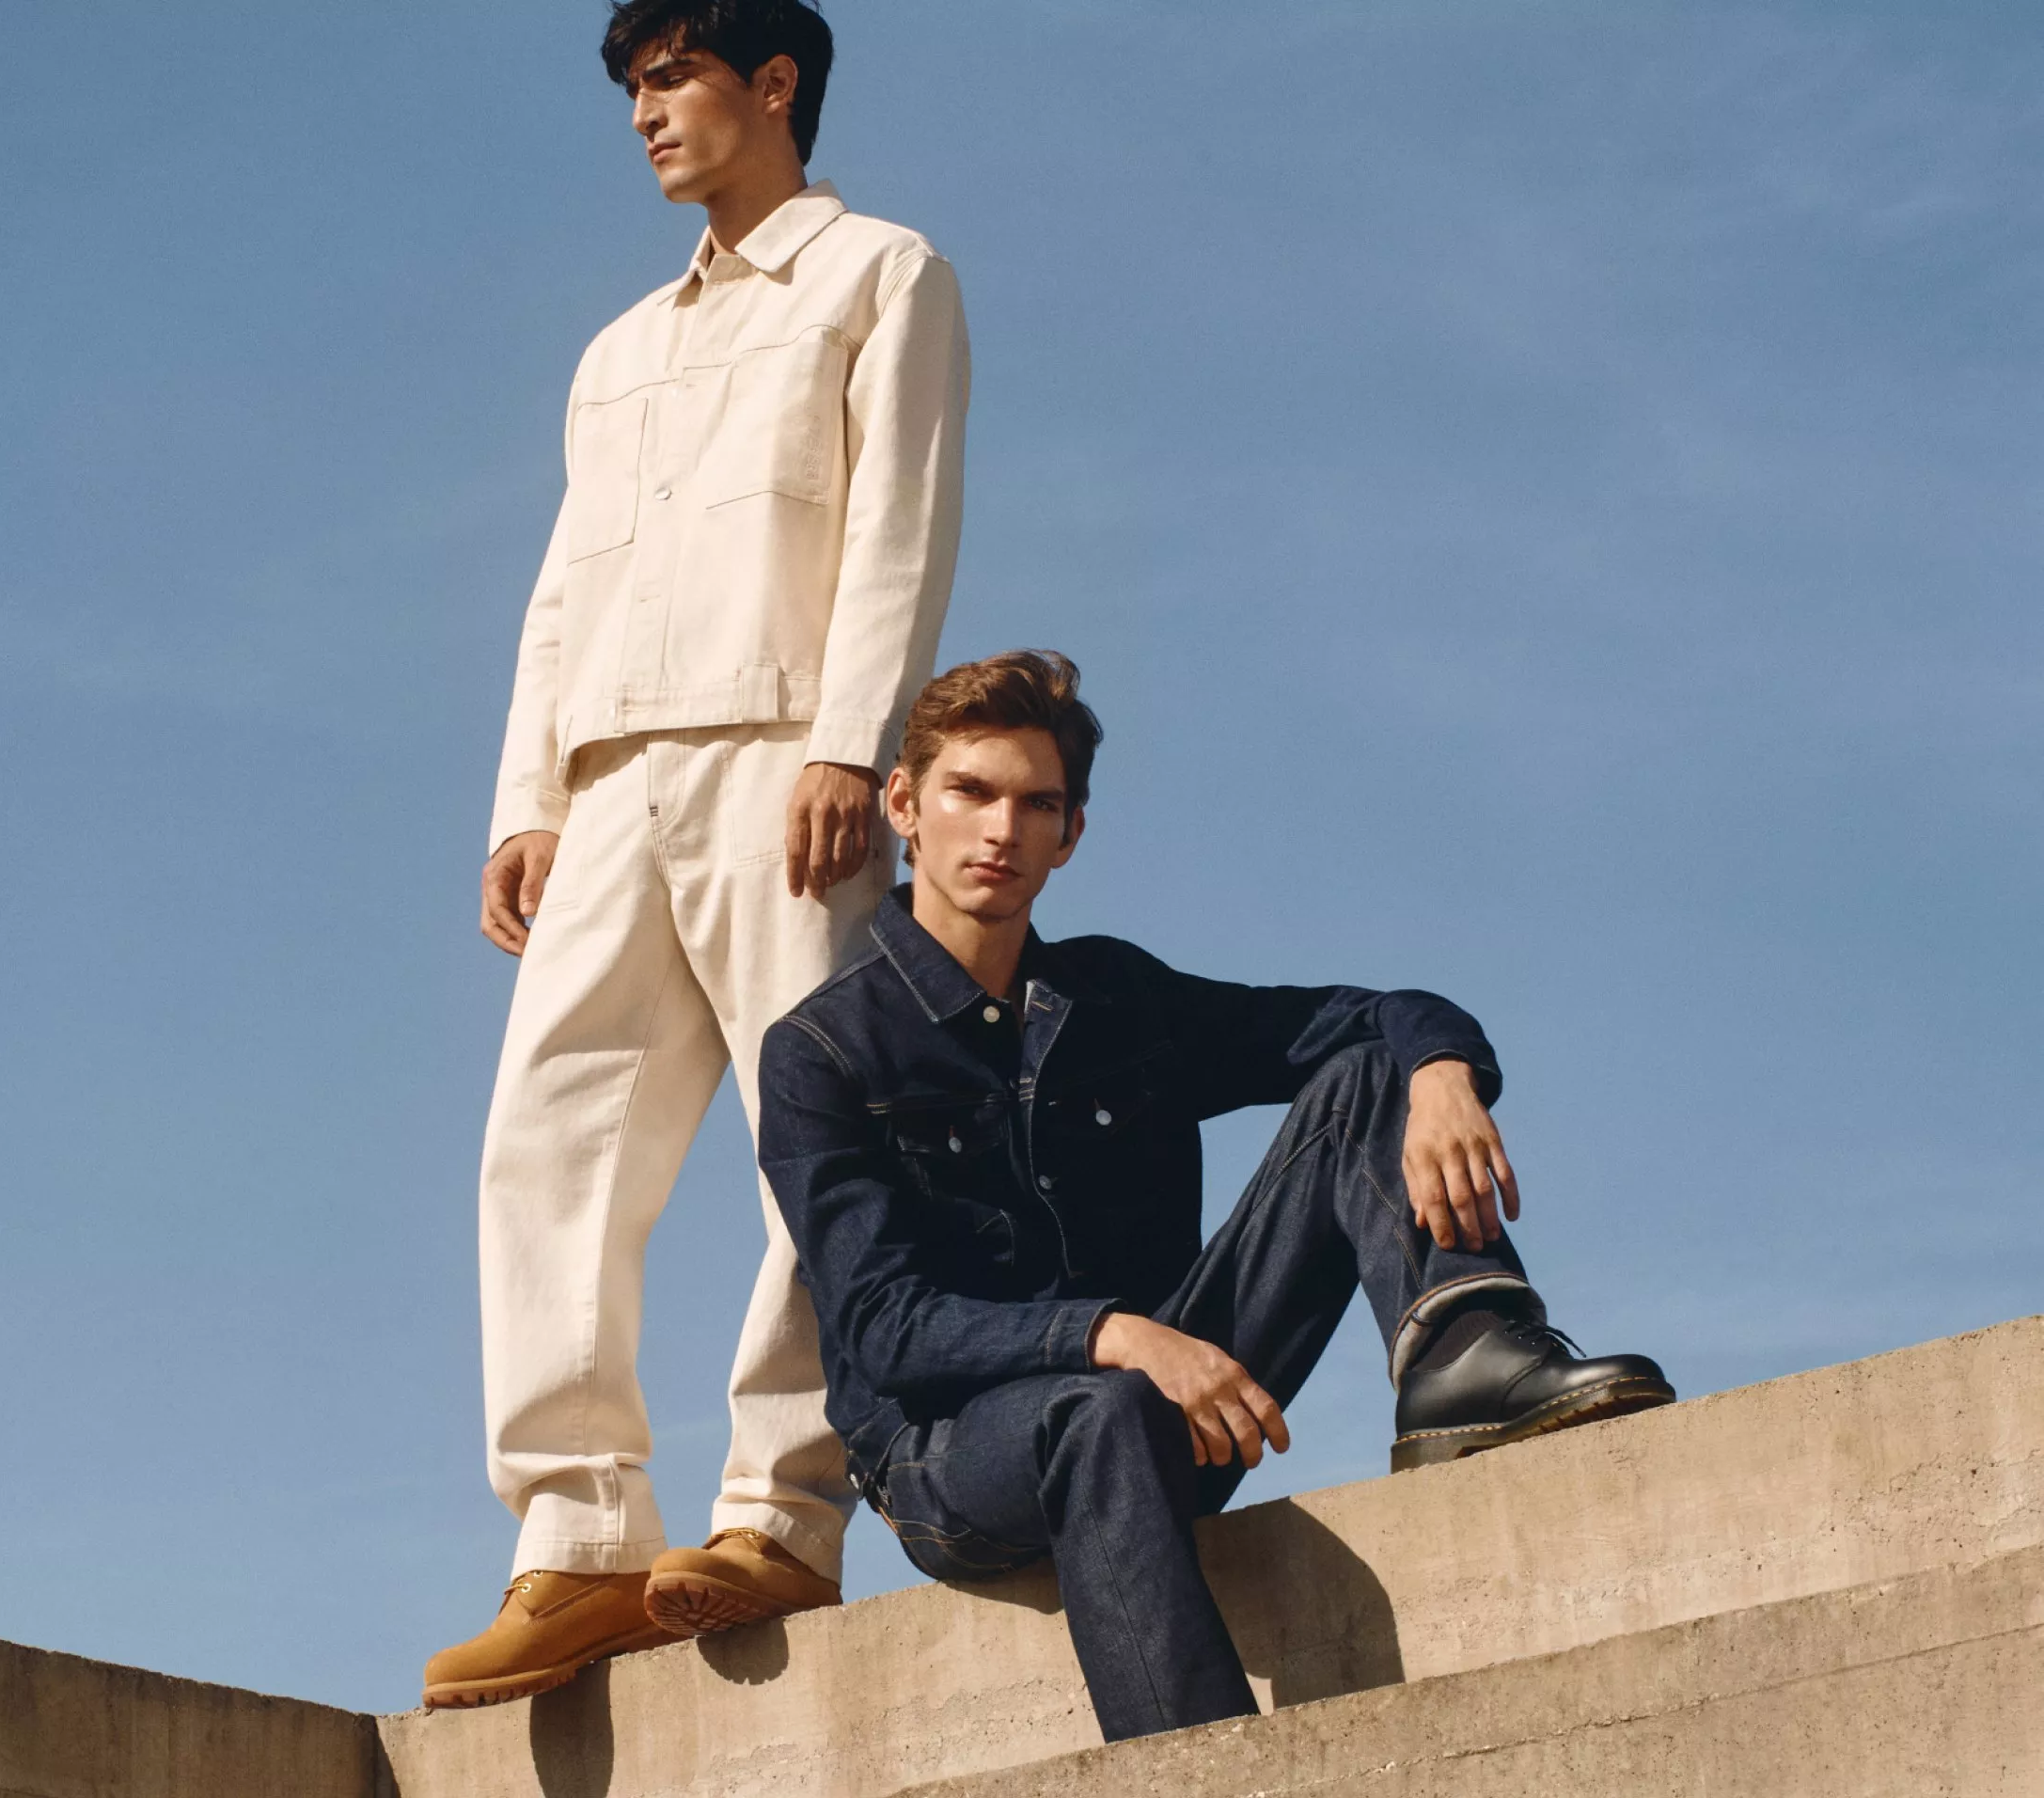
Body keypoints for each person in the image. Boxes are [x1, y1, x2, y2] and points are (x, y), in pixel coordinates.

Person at [757, 651, 1674, 1743]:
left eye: (1034, 803)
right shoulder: (821, 1051)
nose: (999, 830)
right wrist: (1113, 1336)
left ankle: (1462, 1352)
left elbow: (1371, 1013)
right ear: (906, 805)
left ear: (1070, 833)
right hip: (950, 1459)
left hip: (1181, 1400)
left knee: (1368, 1066)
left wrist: (1441, 1074)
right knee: (1095, 1410)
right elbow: (884, 1329)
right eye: (971, 793)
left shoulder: (1113, 995)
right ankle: (1201, 1765)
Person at [421, 0, 971, 1710]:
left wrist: (849, 738)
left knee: (809, 1133)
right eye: (634, 88)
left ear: (774, 82)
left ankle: (781, 1508)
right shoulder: (614, 350)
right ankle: (576, 1536)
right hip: (610, 780)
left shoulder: (880, 273)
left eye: (671, 77)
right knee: (545, 1141)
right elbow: (566, 582)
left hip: (776, 748)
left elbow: (900, 522)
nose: (646, 115)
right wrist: (529, 793)